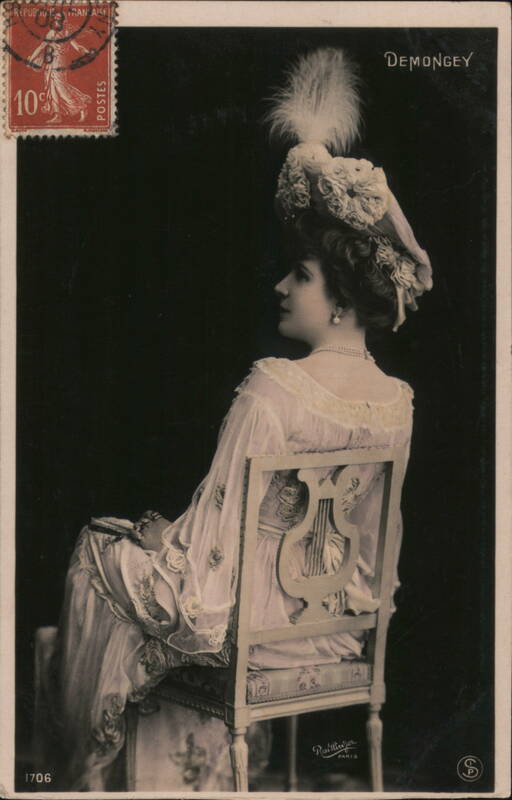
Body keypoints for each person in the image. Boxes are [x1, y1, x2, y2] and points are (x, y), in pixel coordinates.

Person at [47, 48, 432, 790]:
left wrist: (163, 540)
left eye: (303, 275)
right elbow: (376, 561)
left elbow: (206, 578)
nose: (282, 285)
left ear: (344, 301)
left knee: (98, 546)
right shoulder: (398, 402)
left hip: (250, 642)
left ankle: (84, 776)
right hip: (329, 642)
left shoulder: (272, 388)